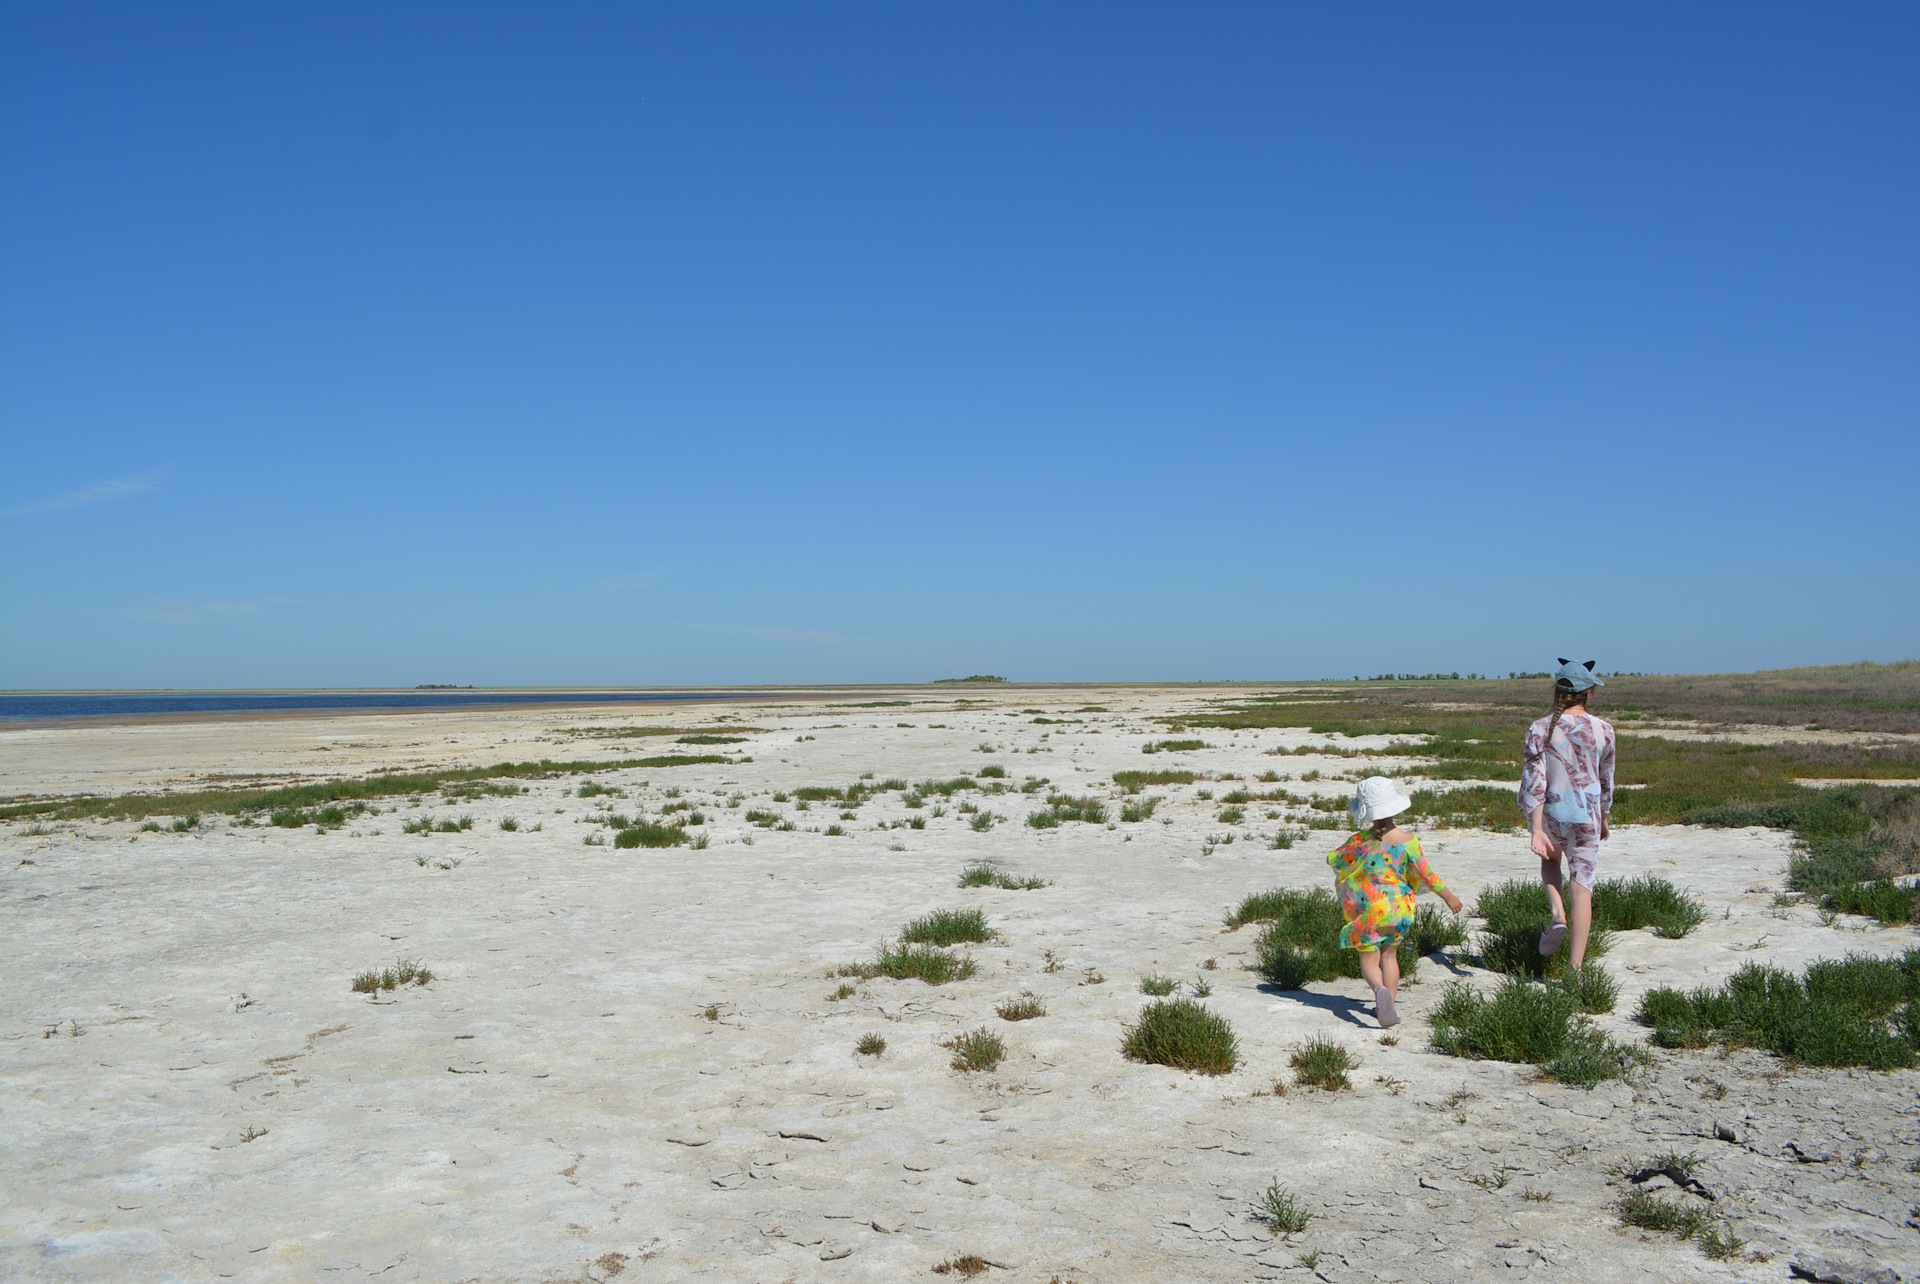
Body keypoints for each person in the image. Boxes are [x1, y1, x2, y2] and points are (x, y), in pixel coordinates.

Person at [1327, 777, 1464, 1028]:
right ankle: (1390, 1003)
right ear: (1394, 808)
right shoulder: (1409, 841)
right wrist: (1449, 897)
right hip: (1400, 909)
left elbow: (1336, 860)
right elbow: (1427, 874)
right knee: (1390, 958)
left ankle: (1379, 991)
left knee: (1369, 960)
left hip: (1371, 910)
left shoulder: (1358, 841)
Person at [1518, 659, 1616, 972]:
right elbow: (1606, 779)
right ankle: (1575, 968)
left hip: (1553, 813)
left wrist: (1536, 829)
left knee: (1550, 861)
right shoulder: (1604, 730)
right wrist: (1604, 815)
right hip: (1587, 815)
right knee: (1582, 886)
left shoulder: (1539, 728)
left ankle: (1557, 913)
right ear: (1589, 693)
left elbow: (1534, 779)